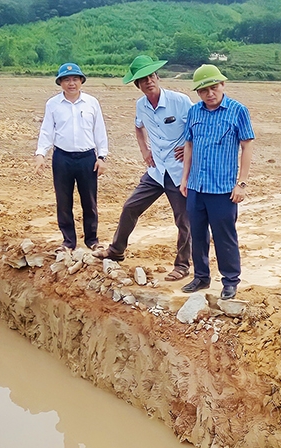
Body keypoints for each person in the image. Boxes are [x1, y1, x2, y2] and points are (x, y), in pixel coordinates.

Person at [92, 55, 193, 282]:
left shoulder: (180, 101)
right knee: (130, 207)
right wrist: (144, 150)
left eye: (151, 76)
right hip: (157, 172)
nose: (149, 81)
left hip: (179, 172)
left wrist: (190, 149)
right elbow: (138, 127)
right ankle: (117, 250)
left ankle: (183, 265)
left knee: (183, 220)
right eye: (143, 79)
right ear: (137, 85)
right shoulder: (141, 105)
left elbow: (198, 126)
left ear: (157, 77)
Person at [180, 64, 254, 301]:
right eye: (203, 90)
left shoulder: (237, 110)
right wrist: (185, 179)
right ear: (198, 93)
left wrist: (241, 183)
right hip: (196, 186)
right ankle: (201, 277)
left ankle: (230, 280)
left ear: (223, 85)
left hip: (223, 189)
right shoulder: (194, 112)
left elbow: (247, 146)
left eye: (213, 87)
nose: (209, 94)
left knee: (225, 236)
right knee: (198, 234)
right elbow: (189, 145)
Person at [34, 62, 109, 252]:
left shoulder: (92, 103)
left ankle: (92, 240)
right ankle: (68, 241)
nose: (71, 83)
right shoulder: (53, 104)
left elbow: (99, 131)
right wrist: (41, 154)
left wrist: (102, 157)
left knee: (89, 201)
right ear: (60, 83)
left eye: (75, 79)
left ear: (81, 81)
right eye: (66, 80)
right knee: (63, 201)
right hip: (62, 158)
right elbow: (47, 131)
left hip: (87, 159)